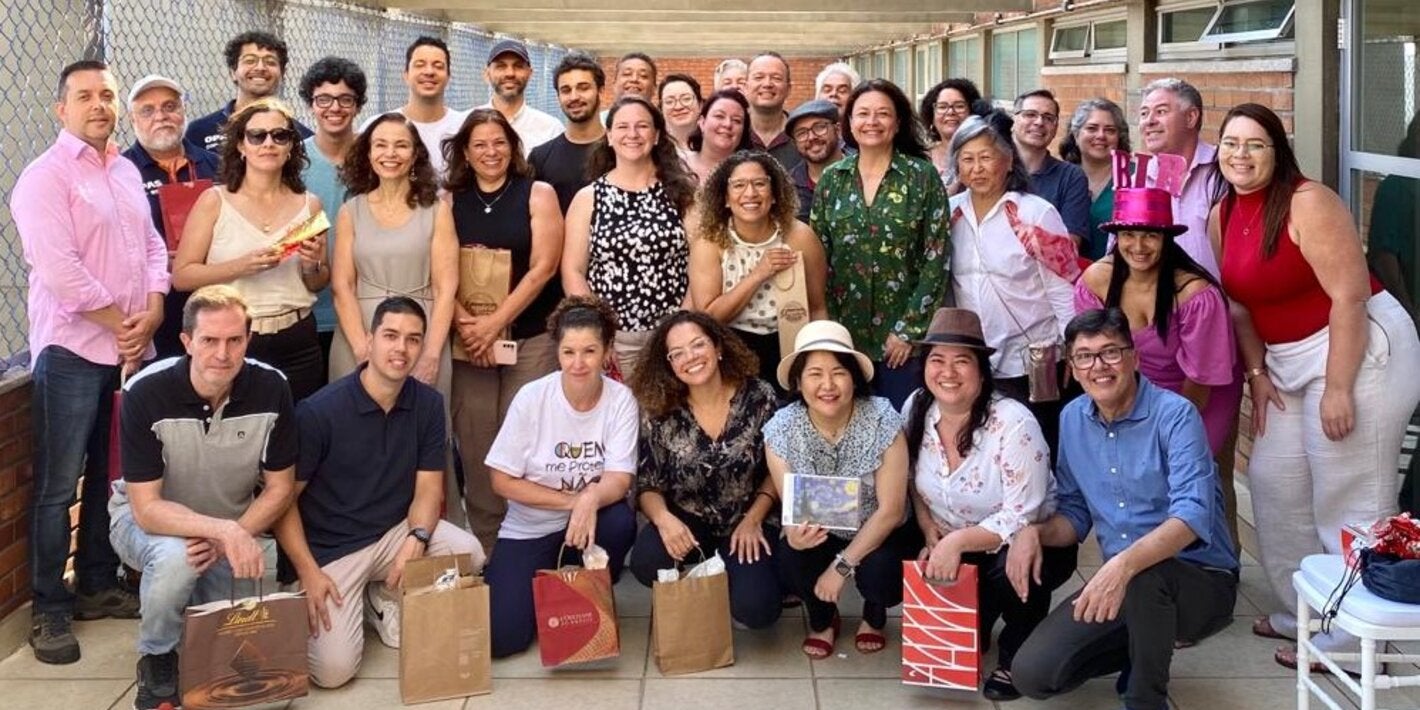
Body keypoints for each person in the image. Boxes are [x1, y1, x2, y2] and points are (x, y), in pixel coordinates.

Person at [1212, 103, 1420, 673]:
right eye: (1231, 142)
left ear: (1278, 151)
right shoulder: (1223, 211)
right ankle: (1306, 609)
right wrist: (1257, 373)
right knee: (1273, 480)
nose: (1241, 154)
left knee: (1348, 496)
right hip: (1286, 361)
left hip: (1358, 350)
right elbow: (1238, 304)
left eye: (1255, 144)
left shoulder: (1308, 201)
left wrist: (1338, 388)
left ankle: (1359, 642)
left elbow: (1350, 297)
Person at [1010, 308, 1239, 710]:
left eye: (1111, 353)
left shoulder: (1176, 415)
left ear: (1134, 357)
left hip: (1201, 581)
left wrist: (1121, 565)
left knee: (1145, 576)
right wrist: (1034, 532)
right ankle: (1141, 648)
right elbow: (1075, 512)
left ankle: (1146, 699)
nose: (1098, 366)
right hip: (1126, 581)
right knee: (1033, 674)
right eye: (1085, 356)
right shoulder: (1072, 418)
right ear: (1074, 368)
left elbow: (1192, 515)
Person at [14, 60, 163, 664]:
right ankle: (49, 608)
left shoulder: (124, 169)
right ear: (61, 109)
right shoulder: (43, 178)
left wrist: (152, 312)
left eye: (106, 94)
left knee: (109, 477)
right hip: (74, 351)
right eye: (84, 96)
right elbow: (60, 271)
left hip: (127, 348)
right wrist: (123, 324)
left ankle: (97, 586)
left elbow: (153, 246)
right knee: (57, 487)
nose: (97, 104)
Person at [274, 296, 484, 688]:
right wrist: (307, 571)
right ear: (369, 341)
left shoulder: (427, 404)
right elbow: (282, 503)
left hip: (392, 535)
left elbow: (428, 490)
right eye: (390, 336)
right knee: (333, 673)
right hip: (331, 550)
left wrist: (417, 539)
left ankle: (381, 595)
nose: (400, 349)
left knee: (469, 552)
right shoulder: (319, 412)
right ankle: (347, 595)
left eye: (412, 339)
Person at [108, 286, 296, 709]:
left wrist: (233, 534)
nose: (223, 354)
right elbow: (147, 507)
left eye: (234, 340)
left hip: (228, 528)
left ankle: (192, 633)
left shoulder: (272, 388)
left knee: (267, 698)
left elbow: (281, 487)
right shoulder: (146, 392)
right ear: (187, 341)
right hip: (149, 525)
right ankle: (156, 659)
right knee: (177, 559)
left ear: (248, 340)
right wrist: (222, 531)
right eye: (209, 340)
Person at [903, 307, 1077, 702]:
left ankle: (1017, 645)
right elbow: (910, 477)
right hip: (954, 540)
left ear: (982, 371)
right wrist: (929, 527)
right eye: (937, 360)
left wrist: (955, 543)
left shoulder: (1013, 423)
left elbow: (1022, 515)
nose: (948, 372)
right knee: (964, 634)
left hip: (1027, 542)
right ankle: (977, 619)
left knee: (1015, 565)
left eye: (961, 362)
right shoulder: (916, 407)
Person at [1074, 171, 1242, 542]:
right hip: (1132, 389)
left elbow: (1200, 380)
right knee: (1134, 478)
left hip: (1201, 392)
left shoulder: (1194, 292)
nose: (1139, 245)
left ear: (1167, 239)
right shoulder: (1096, 281)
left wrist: (1159, 431)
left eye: (1150, 235)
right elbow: (1094, 359)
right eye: (1128, 235)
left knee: (1190, 473)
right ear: (1115, 238)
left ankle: (1216, 561)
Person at [483, 296, 640, 658]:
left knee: (619, 522)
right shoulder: (532, 397)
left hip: (591, 525)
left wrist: (590, 501)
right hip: (530, 526)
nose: (579, 363)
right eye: (569, 352)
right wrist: (576, 501)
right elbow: (501, 481)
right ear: (557, 352)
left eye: (589, 351)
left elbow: (619, 479)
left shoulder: (620, 400)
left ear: (608, 351)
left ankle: (589, 583)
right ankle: (550, 590)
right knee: (503, 639)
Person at [445, 109, 565, 552]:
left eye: (499, 142)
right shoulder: (448, 200)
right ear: (465, 152)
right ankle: (488, 547)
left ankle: (534, 540)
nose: (490, 152)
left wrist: (495, 324)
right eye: (479, 145)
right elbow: (440, 271)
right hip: (468, 343)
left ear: (512, 146)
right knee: (477, 445)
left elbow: (544, 268)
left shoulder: (537, 194)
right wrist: (469, 326)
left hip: (529, 337)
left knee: (527, 440)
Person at [765, 320, 918, 658]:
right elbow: (792, 506)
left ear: (854, 377)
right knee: (791, 558)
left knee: (883, 574)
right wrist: (793, 533)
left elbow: (891, 510)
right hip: (822, 526)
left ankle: (874, 612)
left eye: (838, 372)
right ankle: (823, 618)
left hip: (878, 527)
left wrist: (841, 568)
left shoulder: (882, 418)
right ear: (798, 381)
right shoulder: (782, 429)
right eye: (815, 374)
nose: (828, 385)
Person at [626, 311, 783, 629]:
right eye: (677, 353)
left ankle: (731, 575)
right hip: (689, 517)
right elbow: (648, 483)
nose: (690, 358)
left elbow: (776, 471)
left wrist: (754, 520)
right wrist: (664, 520)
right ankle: (705, 572)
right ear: (669, 363)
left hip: (748, 518)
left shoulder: (758, 396)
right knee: (648, 562)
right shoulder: (661, 408)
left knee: (758, 612)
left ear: (719, 348)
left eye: (698, 345)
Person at [172, 99, 329, 402]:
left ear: (291, 147)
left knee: (295, 435)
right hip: (232, 339)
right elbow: (182, 276)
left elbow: (319, 281)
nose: (268, 143)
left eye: (279, 136)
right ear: (241, 146)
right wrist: (242, 266)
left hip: (296, 339)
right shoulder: (213, 201)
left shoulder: (310, 204)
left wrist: (311, 267)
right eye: (257, 136)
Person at [811, 79, 951, 408]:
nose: (872, 122)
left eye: (882, 114)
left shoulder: (922, 177)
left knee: (901, 433)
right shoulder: (832, 179)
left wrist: (908, 330)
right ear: (848, 123)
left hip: (902, 344)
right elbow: (819, 257)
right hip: (845, 340)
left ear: (898, 121)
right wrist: (830, 332)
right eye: (863, 114)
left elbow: (936, 257)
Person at [947, 109, 1078, 454]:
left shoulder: (1034, 213)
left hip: (1033, 360)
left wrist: (1075, 349)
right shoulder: (949, 214)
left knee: (1037, 446)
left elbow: (1063, 287)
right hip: (975, 360)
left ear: (1008, 161)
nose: (976, 168)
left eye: (986, 157)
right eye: (967, 159)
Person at [563, 96, 697, 378]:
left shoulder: (683, 195)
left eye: (642, 126)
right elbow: (573, 271)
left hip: (672, 336)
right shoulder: (588, 198)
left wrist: (682, 328)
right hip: (614, 339)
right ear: (609, 136)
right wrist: (597, 333)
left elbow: (700, 266)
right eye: (623, 127)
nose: (633, 134)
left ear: (657, 135)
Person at [326, 113, 455, 395]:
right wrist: (363, 350)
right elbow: (342, 286)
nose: (390, 153)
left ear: (415, 154)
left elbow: (445, 288)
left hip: (420, 333)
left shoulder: (437, 211)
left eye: (401, 145)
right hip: (360, 331)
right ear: (369, 152)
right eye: (380, 145)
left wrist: (432, 352)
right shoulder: (351, 211)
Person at [688, 150, 828, 388]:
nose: (750, 193)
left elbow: (817, 309)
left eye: (760, 184)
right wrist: (759, 274)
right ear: (724, 198)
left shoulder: (800, 236)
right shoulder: (709, 243)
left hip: (790, 342)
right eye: (739, 185)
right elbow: (708, 318)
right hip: (731, 346)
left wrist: (818, 362)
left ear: (774, 194)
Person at [122, 74, 221, 359]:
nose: (161, 117)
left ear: (183, 112)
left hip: (213, 303)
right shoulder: (120, 172)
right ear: (132, 119)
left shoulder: (217, 166)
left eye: (169, 107)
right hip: (153, 307)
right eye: (148, 110)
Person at [298, 56, 368, 367]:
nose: (335, 108)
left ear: (357, 105)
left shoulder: (377, 155)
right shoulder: (293, 159)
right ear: (311, 104)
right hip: (310, 307)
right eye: (324, 99)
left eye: (345, 99)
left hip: (363, 306)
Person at [1138, 78, 1220, 277]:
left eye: (1161, 111)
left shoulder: (1224, 170)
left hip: (1219, 303)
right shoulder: (1137, 180)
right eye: (1144, 113)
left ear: (1191, 117)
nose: (1149, 121)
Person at [186, 31, 311, 152]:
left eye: (270, 62)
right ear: (232, 72)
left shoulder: (301, 137)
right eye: (250, 61)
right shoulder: (199, 132)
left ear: (283, 73)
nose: (260, 68)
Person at [363, 36, 467, 178]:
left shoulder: (464, 125)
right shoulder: (378, 126)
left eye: (438, 66)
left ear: (448, 76)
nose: (429, 72)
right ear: (406, 75)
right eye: (420, 65)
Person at [529, 51, 606, 215]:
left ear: (600, 90)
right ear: (558, 96)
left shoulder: (623, 151)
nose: (574, 97)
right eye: (565, 90)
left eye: (583, 88)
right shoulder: (540, 158)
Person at [1012, 89, 1090, 248]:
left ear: (1055, 128)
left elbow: (1070, 245)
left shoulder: (1071, 177)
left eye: (1048, 118)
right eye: (1030, 114)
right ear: (1013, 121)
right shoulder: (994, 169)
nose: (1039, 122)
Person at [1059, 98, 1131, 260]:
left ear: (1120, 137)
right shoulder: (1060, 177)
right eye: (1091, 128)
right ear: (1075, 134)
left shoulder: (1134, 178)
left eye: (1110, 130)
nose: (1100, 136)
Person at [479, 38, 563, 157]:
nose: (510, 73)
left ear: (530, 74)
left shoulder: (551, 129)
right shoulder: (465, 124)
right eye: (501, 66)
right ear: (487, 74)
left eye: (518, 66)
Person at [785, 99, 843, 222]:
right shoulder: (787, 187)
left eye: (819, 127)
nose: (811, 137)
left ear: (838, 130)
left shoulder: (862, 174)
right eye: (801, 133)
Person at [920, 78, 981, 188]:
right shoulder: (920, 159)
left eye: (959, 106)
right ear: (932, 116)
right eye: (942, 107)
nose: (950, 112)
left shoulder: (985, 155)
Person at [745, 52, 801, 171]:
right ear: (746, 87)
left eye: (776, 78)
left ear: (788, 89)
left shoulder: (802, 134)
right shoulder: (733, 133)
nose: (767, 84)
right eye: (759, 77)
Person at [683, 89, 753, 183]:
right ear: (702, 122)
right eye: (719, 116)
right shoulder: (678, 167)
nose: (727, 124)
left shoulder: (752, 173)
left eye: (736, 120)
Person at [658, 73, 703, 150]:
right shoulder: (653, 147)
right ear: (661, 109)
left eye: (686, 99)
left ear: (700, 104)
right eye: (669, 101)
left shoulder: (714, 143)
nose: (678, 107)